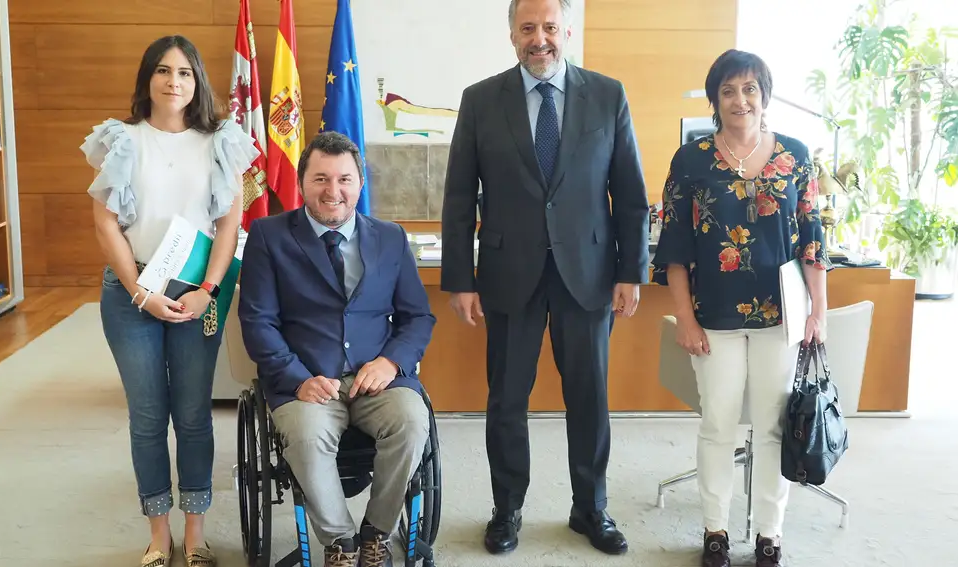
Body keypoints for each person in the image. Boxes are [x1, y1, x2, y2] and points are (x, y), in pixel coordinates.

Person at [440, 0, 649, 556]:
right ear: (511, 34)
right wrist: (461, 278)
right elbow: (460, 197)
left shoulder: (608, 95)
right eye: (528, 28)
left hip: (589, 273)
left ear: (567, 31)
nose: (540, 39)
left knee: (589, 398)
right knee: (507, 399)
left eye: (550, 27)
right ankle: (506, 510)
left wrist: (632, 270)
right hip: (510, 275)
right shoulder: (481, 100)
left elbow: (630, 196)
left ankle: (591, 509)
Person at [81, 35, 259, 567]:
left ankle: (196, 532)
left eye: (184, 72)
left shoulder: (220, 140)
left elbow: (229, 225)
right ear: (147, 80)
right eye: (163, 71)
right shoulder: (123, 140)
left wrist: (207, 291)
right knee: (147, 416)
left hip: (196, 296)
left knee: (193, 415)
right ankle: (159, 535)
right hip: (132, 293)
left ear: (197, 81)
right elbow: (104, 221)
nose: (174, 81)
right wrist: (139, 290)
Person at [651, 49, 832, 567]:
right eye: (728, 90)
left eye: (750, 88)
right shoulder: (691, 160)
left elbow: (812, 243)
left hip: (782, 319)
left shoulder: (796, 155)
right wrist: (684, 318)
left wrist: (818, 312)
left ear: (765, 96)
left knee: (774, 426)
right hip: (715, 318)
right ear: (714, 99)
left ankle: (770, 534)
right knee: (719, 424)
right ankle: (716, 530)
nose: (740, 99)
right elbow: (676, 247)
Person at [238, 131, 437, 567]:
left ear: (360, 183)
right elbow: (257, 322)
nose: (334, 191)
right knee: (307, 439)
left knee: (412, 421)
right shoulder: (269, 237)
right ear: (302, 182)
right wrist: (297, 378)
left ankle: (376, 533)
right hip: (305, 379)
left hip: (378, 379)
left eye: (345, 179)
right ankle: (341, 542)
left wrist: (390, 361)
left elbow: (418, 317)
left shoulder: (389, 237)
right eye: (321, 178)